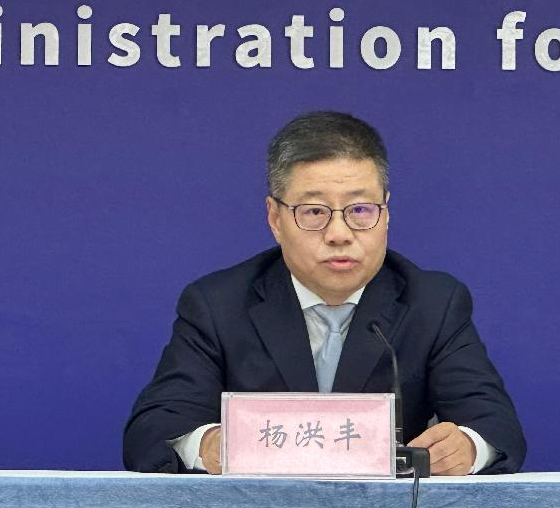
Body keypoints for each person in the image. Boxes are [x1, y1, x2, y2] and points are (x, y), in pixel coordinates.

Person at [123, 111, 526, 475]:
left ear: (386, 213)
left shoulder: (433, 303)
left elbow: (497, 426)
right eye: (315, 212)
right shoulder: (218, 305)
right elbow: (153, 430)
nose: (339, 234)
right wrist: (207, 446)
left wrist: (468, 448)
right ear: (275, 218)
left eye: (360, 210)